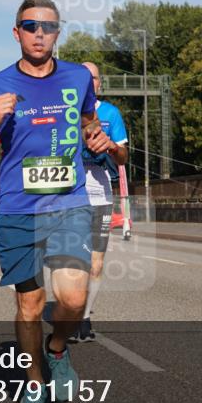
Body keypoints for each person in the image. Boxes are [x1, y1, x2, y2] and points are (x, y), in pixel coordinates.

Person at [0, 0, 117, 403]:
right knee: (29, 306)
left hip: (67, 202)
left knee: (72, 298)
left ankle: (57, 350)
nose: (39, 33)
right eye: (30, 26)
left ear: (57, 33)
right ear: (17, 33)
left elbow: (89, 122)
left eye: (47, 26)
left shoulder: (76, 78)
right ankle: (34, 382)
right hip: (17, 208)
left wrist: (96, 138)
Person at [72, 62, 129, 343]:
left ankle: (83, 317)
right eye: (81, 77)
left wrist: (112, 146)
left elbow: (123, 157)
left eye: (91, 78)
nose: (86, 81)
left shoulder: (110, 113)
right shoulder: (64, 111)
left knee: (95, 263)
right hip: (69, 194)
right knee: (71, 259)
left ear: (99, 83)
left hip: (101, 194)